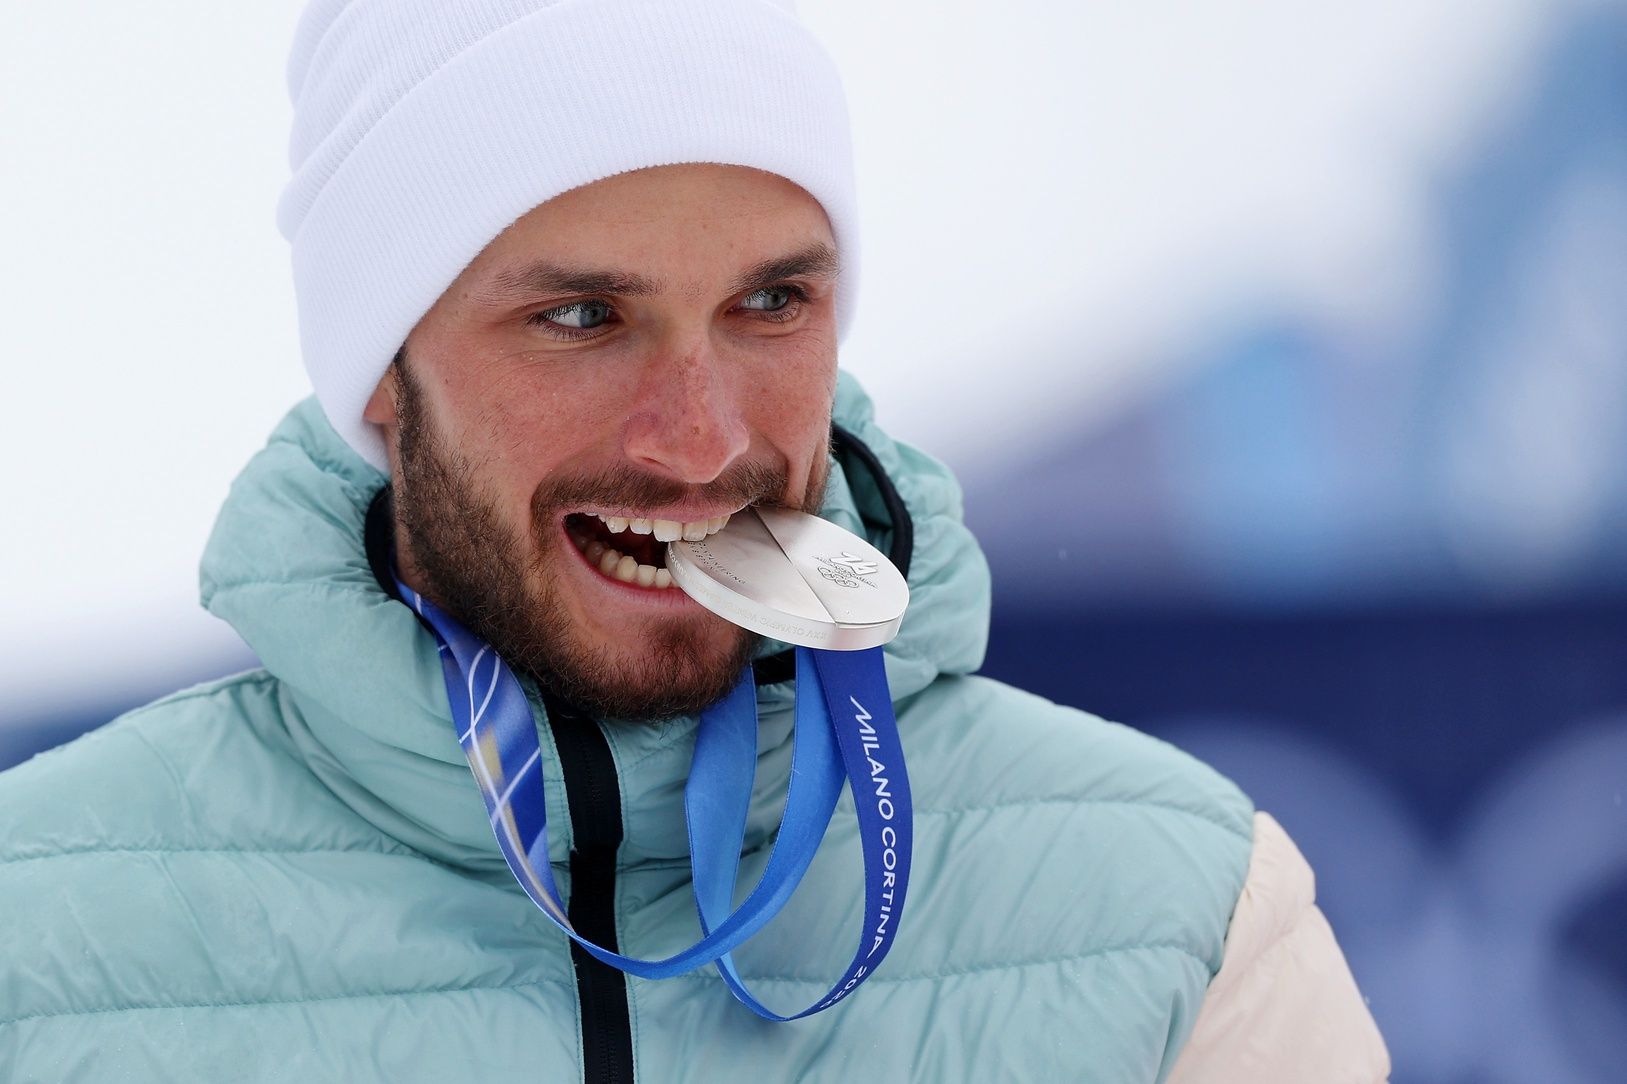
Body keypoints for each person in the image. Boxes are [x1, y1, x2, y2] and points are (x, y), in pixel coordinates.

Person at [0, 0, 1389, 1080]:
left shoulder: (1178, 914)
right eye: (582, 318)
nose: (702, 437)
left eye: (771, 302)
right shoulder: (39, 935)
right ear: (381, 366)